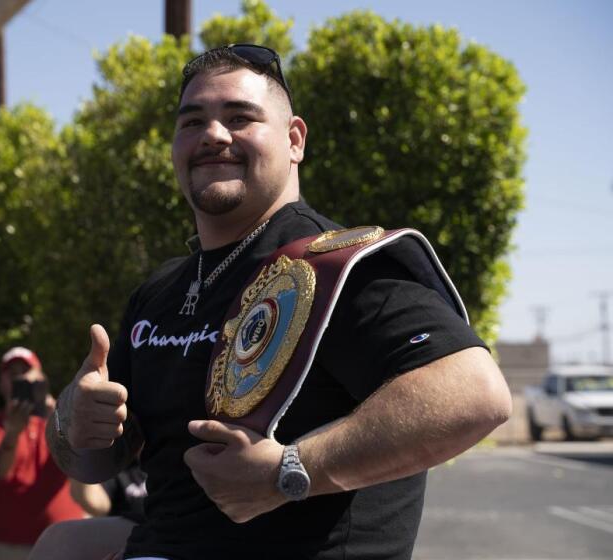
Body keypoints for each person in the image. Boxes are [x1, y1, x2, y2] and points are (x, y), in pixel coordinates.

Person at [47, 44, 513, 560]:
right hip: (162, 547)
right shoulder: (159, 293)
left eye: (240, 117)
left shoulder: (338, 267)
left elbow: (477, 395)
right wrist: (74, 418)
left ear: (294, 140)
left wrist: (288, 471)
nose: (213, 135)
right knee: (62, 544)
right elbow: (92, 465)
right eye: (192, 121)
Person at [0, 347, 84, 560]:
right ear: (1, 384)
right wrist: (13, 433)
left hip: (66, 542)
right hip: (13, 550)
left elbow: (83, 466)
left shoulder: (61, 420)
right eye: (12, 374)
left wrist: (59, 418)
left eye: (26, 371)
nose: (20, 378)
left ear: (41, 379)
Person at [28, 462, 147, 560]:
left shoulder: (161, 466)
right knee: (56, 539)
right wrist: (79, 455)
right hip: (120, 545)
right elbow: (97, 505)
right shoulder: (119, 469)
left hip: (156, 539)